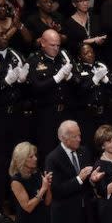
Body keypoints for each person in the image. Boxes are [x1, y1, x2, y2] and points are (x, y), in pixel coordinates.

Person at [0, 23, 28, 219]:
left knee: (20, 160)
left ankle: (17, 202)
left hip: (18, 115)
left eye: (5, 33)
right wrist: (4, 82)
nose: (4, 36)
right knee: (0, 163)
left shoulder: (16, 54)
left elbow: (30, 86)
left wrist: (23, 81)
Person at [26, 29, 73, 159]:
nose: (56, 48)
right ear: (43, 43)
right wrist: (56, 78)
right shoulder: (34, 60)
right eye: (52, 45)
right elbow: (36, 88)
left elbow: (78, 83)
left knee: (68, 150)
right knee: (48, 150)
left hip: (65, 111)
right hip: (46, 113)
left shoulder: (64, 57)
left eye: (58, 45)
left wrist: (71, 77)